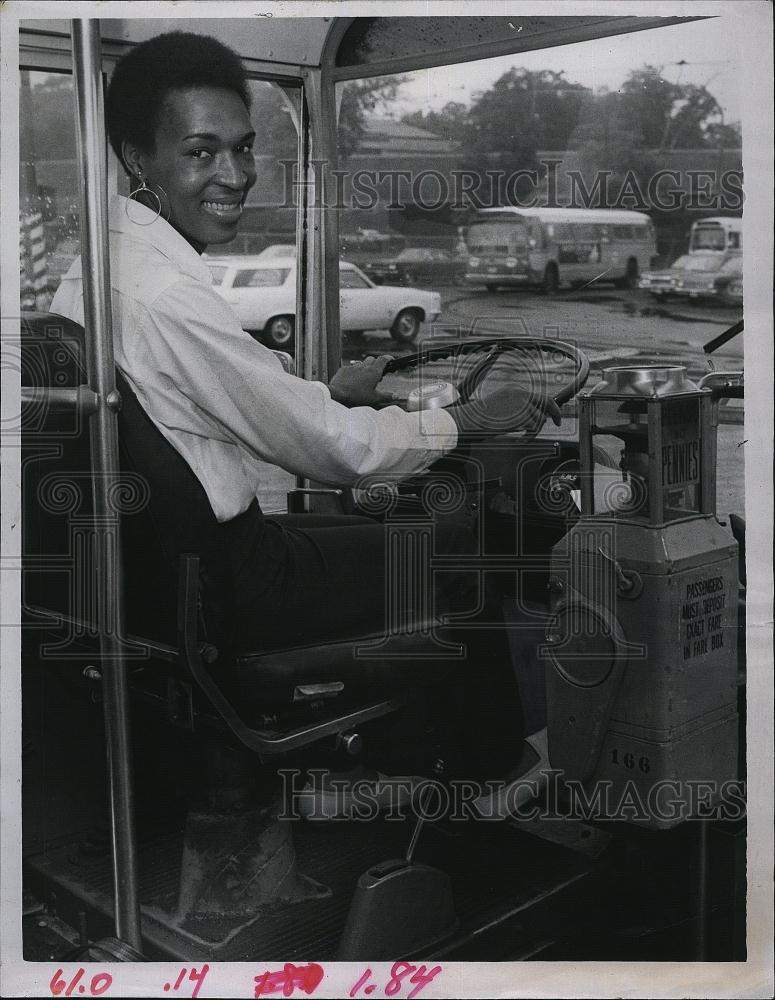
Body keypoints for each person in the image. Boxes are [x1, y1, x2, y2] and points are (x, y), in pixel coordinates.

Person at [51, 31, 559, 796]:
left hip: (156, 572)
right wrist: (471, 421)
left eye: (244, 147)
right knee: (464, 543)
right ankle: (491, 774)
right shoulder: (166, 292)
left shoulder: (100, 261)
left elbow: (201, 389)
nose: (235, 174)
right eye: (200, 152)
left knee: (375, 532)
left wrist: (323, 387)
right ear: (134, 156)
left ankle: (394, 757)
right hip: (230, 577)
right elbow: (337, 453)